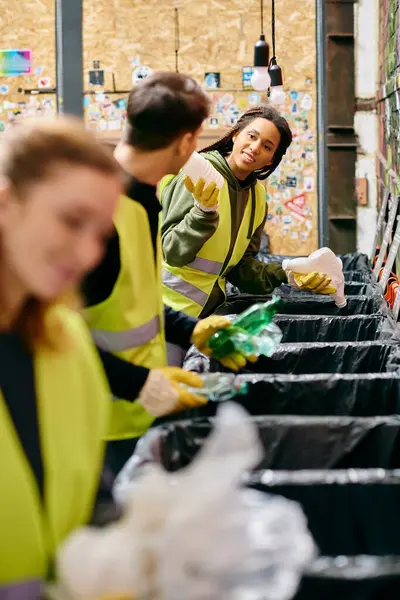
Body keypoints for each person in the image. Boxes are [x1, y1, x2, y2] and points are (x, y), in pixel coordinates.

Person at [83, 72, 252, 477]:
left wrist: (190, 329)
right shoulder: (102, 214)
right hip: (99, 428)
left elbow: (129, 299)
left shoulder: (143, 199)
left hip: (135, 417)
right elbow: (54, 335)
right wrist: (139, 383)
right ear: (186, 142)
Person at [0, 117, 123, 590]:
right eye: (72, 221)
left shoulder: (67, 343)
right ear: (7, 202)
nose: (88, 253)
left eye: (100, 235)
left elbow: (90, 492)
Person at [160, 105, 335, 325]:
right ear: (235, 136)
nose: (254, 147)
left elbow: (241, 269)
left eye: (267, 146)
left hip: (208, 317)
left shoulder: (257, 197)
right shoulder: (200, 175)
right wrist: (202, 213)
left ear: (271, 159)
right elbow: (172, 253)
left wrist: (288, 272)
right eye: (251, 136)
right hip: (166, 313)